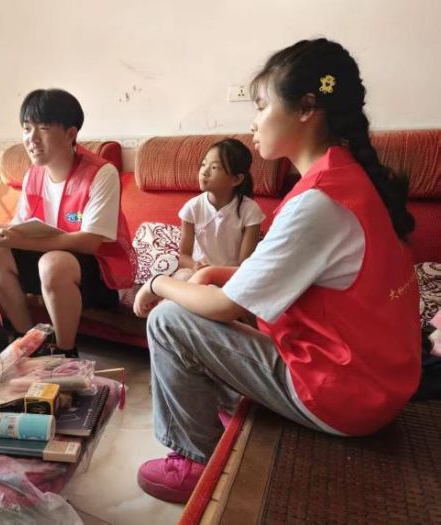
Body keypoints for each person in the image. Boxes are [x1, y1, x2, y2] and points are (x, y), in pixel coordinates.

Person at [133, 38, 420, 503]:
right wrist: (216, 273)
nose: (254, 121)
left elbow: (224, 308)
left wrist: (157, 282)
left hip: (345, 395)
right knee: (200, 296)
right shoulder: (348, 179)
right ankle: (227, 413)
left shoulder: (318, 202)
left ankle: (194, 461)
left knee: (170, 320)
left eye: (262, 105)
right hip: (380, 381)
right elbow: (278, 277)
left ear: (306, 108)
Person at [0, 88, 135, 357]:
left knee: (53, 262)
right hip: (50, 264)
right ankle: (30, 341)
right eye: (26, 129)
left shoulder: (101, 173)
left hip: (101, 277)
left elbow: (89, 243)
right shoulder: (33, 175)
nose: (31, 139)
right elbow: (21, 227)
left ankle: (65, 352)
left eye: (42, 129)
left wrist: (22, 240)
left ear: (70, 134)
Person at [173, 138, 264, 281]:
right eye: (204, 164)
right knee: (183, 276)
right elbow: (183, 256)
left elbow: (244, 264)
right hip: (197, 275)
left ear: (236, 179)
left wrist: (215, 274)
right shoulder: (192, 207)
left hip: (231, 276)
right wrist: (195, 266)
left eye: (214, 167)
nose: (204, 172)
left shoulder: (250, 211)